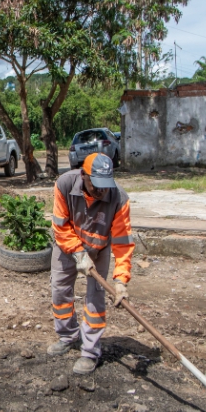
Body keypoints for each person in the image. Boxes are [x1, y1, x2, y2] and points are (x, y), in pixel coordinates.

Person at [48, 152, 135, 375]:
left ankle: (90, 351)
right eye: (96, 185)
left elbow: (123, 243)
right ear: (83, 175)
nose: (101, 190)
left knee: (96, 299)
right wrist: (77, 253)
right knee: (60, 291)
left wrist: (120, 280)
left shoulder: (119, 198)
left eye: (105, 185)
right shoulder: (65, 184)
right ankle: (68, 336)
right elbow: (60, 224)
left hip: (99, 250)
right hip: (66, 245)